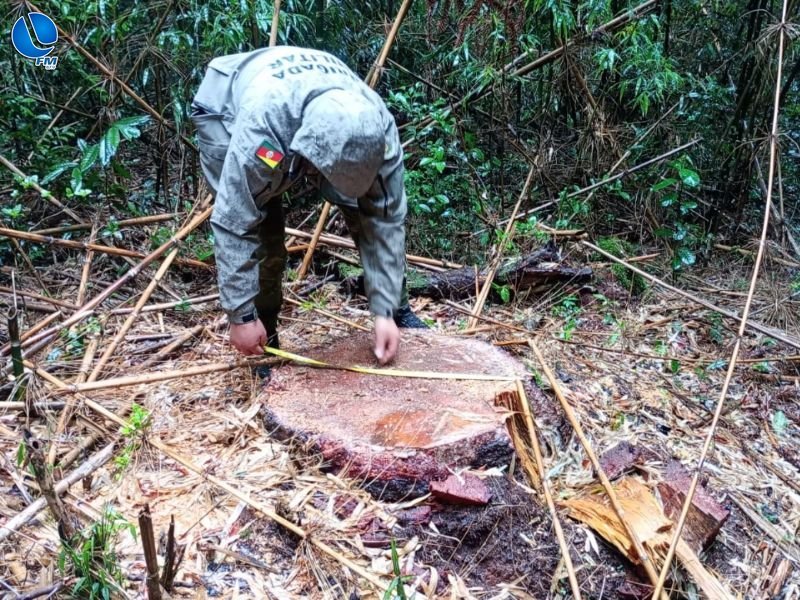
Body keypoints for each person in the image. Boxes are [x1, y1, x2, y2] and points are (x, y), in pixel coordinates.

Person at [191, 46, 426, 366]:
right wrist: (240, 316)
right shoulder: (264, 133)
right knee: (265, 238)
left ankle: (397, 312)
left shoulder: (379, 130)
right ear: (309, 160)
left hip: (302, 90)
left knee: (364, 211)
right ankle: (264, 338)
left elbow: (385, 219)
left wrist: (385, 309)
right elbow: (235, 220)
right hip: (229, 105)